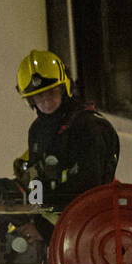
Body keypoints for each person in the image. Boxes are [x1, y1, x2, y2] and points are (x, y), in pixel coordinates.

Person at [17, 49, 120, 212]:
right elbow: (35, 178)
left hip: (90, 217)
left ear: (64, 88)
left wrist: (44, 219)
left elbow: (89, 184)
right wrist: (34, 213)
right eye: (38, 96)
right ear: (31, 100)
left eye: (51, 92)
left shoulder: (89, 126)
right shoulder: (36, 131)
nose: (45, 101)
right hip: (53, 218)